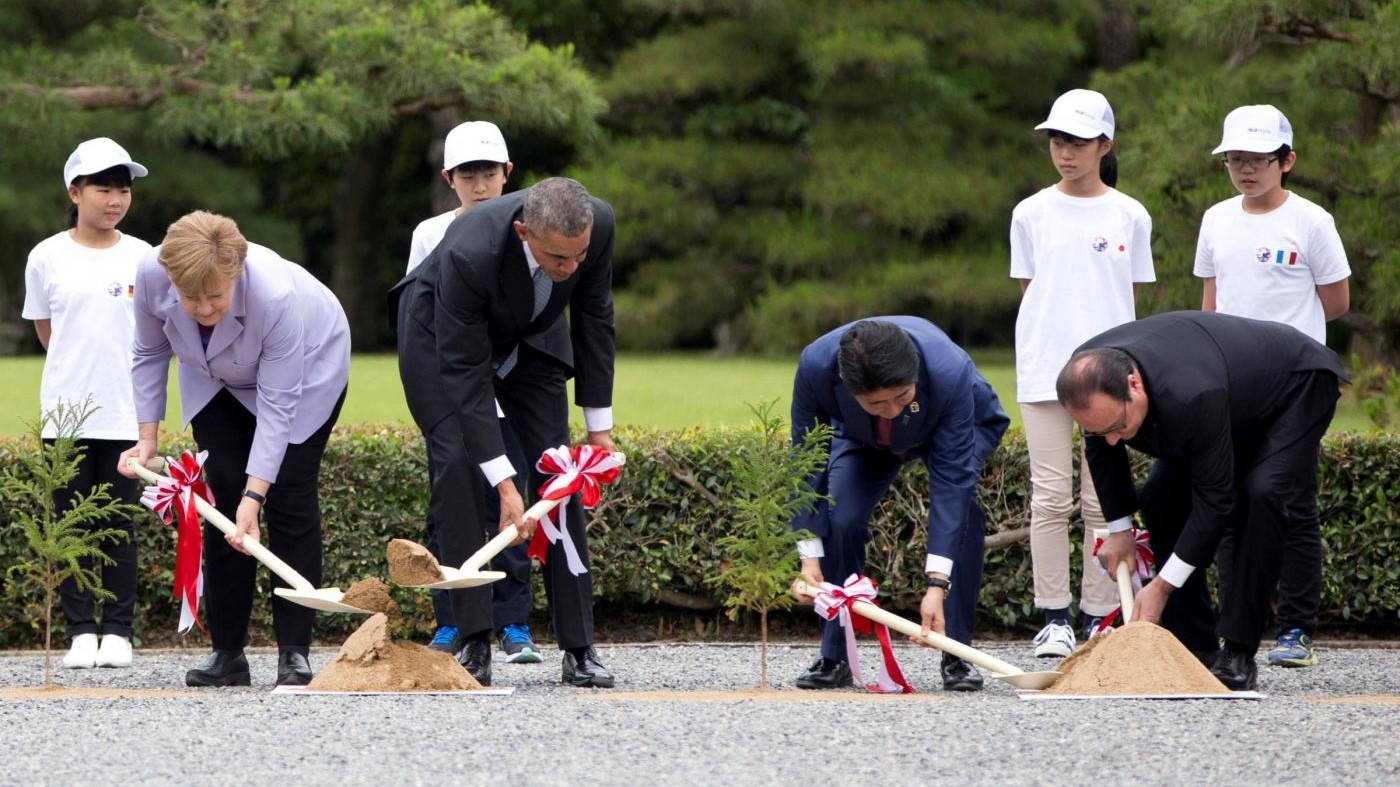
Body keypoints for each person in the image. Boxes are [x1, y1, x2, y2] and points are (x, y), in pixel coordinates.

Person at [389, 177, 617, 688]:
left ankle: (579, 648)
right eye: (558, 259)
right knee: (457, 467)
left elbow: (595, 316)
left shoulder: (595, 226)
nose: (570, 270)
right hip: (440, 334)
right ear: (523, 232)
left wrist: (598, 430)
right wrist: (504, 484)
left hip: (532, 333)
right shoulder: (471, 248)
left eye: (578, 256)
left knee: (561, 471)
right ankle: (472, 638)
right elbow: (467, 379)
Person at [117, 211, 350, 688]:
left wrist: (256, 496)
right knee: (220, 501)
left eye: (216, 296)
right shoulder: (149, 271)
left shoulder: (275, 296)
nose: (203, 309)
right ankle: (227, 653)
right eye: (190, 298)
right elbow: (147, 352)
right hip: (214, 376)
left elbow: (278, 405)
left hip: (306, 375)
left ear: (237, 275)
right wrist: (147, 439)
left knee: (288, 497)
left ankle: (294, 652)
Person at [1056, 311, 1345, 690]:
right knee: (1159, 497)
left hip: (1296, 386)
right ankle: (1194, 646)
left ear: (1134, 384)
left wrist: (1161, 585)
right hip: (1229, 394)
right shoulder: (1088, 379)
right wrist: (1120, 531)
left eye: (1118, 427)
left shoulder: (1191, 394)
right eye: (1100, 430)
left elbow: (1216, 502)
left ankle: (1238, 651)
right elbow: (1101, 449)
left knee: (1260, 495)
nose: (1113, 440)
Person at [1194, 104, 1351, 670]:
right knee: (1231, 503)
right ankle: (1237, 629)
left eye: (1259, 159)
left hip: (1297, 384)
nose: (1246, 170)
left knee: (1289, 500)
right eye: (1236, 159)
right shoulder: (1215, 219)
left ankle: (1296, 628)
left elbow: (1336, 302)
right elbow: (1211, 303)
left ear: (1287, 161)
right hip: (1232, 382)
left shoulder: (1311, 221)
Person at [1010, 89, 1155, 658]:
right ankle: (1053, 618)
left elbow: (1129, 298)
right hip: (1045, 368)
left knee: (1104, 500)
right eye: (1057, 141)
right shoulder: (1030, 212)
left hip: (1110, 378)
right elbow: (1032, 295)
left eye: (1076, 141)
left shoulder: (1130, 214)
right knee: (1049, 496)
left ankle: (1099, 616)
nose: (1064, 152)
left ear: (1104, 145)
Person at [788, 317, 1009, 692]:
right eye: (876, 402)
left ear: (916, 375)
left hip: (951, 425)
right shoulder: (815, 366)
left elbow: (951, 483)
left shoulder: (948, 370)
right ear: (847, 385)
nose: (891, 410)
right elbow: (806, 462)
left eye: (901, 396)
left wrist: (935, 586)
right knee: (840, 517)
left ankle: (957, 652)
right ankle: (835, 654)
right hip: (862, 438)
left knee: (963, 516)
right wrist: (809, 557)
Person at [400, 120, 542, 664]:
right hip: (448, 388)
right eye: (467, 174)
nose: (479, 185)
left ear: (508, 174)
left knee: (508, 496)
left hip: (504, 384)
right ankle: (453, 619)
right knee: (450, 497)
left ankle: (513, 622)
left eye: (488, 173)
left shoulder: (531, 230)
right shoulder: (428, 235)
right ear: (449, 178)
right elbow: (418, 320)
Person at [22, 138, 152, 670]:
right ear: (75, 192)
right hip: (66, 414)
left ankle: (118, 630)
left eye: (123, 189)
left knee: (119, 524)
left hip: (126, 413)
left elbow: (153, 337)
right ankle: (80, 631)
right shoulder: (46, 256)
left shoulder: (144, 256)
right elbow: (46, 330)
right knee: (70, 526)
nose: (115, 199)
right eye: (103, 188)